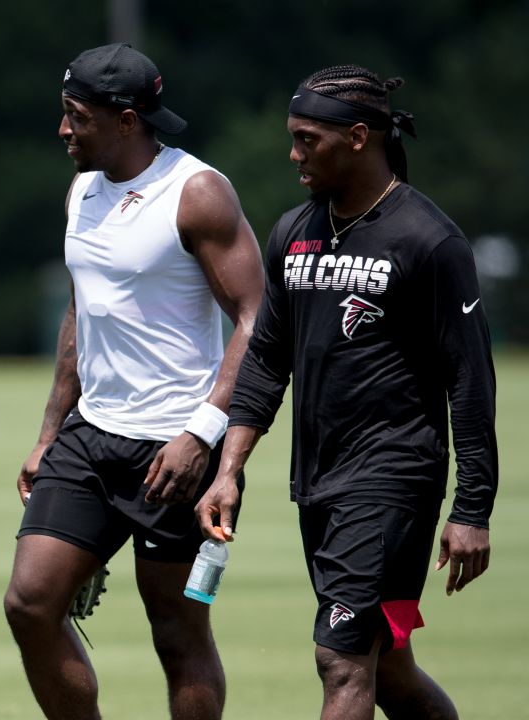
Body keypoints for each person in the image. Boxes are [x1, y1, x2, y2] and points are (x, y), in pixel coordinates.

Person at [195, 65, 498, 720]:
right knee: (388, 666)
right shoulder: (292, 234)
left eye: (308, 140)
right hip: (320, 484)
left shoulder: (429, 240)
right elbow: (267, 362)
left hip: (394, 484)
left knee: (340, 659)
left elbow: (472, 382)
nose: (294, 154)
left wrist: (472, 509)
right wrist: (228, 470)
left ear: (359, 137)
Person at [3, 44, 264, 720]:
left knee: (178, 634)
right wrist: (48, 434)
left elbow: (255, 319)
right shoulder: (82, 188)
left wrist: (202, 436)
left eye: (76, 117)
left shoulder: (197, 192)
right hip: (92, 438)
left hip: (176, 451)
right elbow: (78, 311)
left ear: (126, 121)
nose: (63, 130)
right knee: (30, 603)